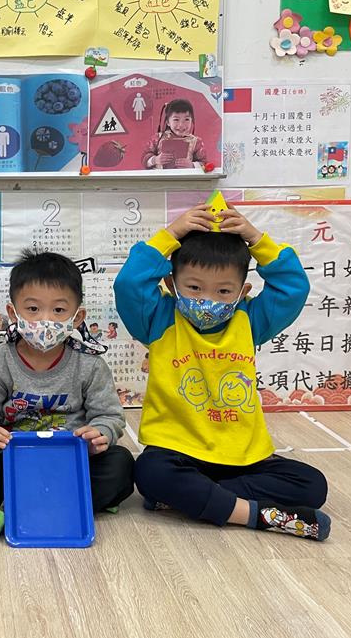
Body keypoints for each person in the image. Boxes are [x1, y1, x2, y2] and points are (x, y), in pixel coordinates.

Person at [114, 203, 331, 541]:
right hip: (177, 451)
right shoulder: (158, 318)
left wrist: (256, 239)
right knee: (150, 472)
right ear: (171, 284)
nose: (207, 300)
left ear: (243, 292)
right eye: (194, 288)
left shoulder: (250, 319)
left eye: (224, 291)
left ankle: (193, 497)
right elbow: (129, 283)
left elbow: (293, 288)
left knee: (312, 484)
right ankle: (257, 515)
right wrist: (171, 234)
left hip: (242, 456)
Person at [0, 250, 134, 538]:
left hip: (71, 459)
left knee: (121, 465)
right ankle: (66, 500)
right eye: (33, 309)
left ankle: (17, 505)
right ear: (13, 313)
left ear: (77, 317)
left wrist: (100, 434)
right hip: (16, 457)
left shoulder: (89, 364)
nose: (45, 320)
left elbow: (109, 415)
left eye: (59, 310)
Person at [143, 99, 207, 170]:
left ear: (192, 120)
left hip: (186, 176)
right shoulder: (157, 138)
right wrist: (155, 160)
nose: (181, 125)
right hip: (160, 176)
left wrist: (192, 165)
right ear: (168, 122)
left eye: (186, 119)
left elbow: (205, 164)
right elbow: (145, 158)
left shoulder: (196, 142)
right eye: (176, 119)